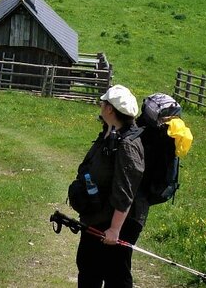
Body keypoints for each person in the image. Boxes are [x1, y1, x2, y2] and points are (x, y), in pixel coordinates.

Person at [73, 84, 146, 288]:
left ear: (110, 109)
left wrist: (114, 229)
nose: (100, 105)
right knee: (88, 268)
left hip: (120, 222)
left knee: (116, 275)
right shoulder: (109, 132)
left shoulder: (127, 145)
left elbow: (125, 190)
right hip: (98, 216)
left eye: (102, 103)